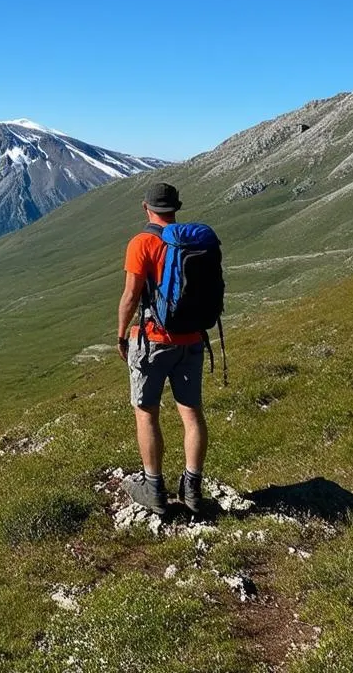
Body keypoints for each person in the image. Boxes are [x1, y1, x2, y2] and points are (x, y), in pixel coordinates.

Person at [116, 182, 208, 515]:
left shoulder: (142, 242)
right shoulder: (194, 241)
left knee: (146, 413)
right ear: (175, 208)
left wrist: (121, 334)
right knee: (192, 414)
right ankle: (193, 490)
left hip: (154, 341)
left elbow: (130, 296)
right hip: (193, 340)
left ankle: (154, 490)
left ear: (146, 208)